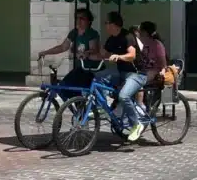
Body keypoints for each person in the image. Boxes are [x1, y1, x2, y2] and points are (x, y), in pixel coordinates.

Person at [94, 11, 148, 142]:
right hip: (121, 74)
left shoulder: (127, 37)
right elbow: (103, 55)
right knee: (97, 77)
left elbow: (132, 55)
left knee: (124, 96)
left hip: (137, 74)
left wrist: (119, 56)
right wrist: (87, 54)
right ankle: (100, 107)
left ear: (115, 25)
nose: (105, 25)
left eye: (107, 23)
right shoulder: (111, 39)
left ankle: (136, 124)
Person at [37, 8, 100, 101]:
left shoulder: (91, 33)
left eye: (82, 18)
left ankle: (80, 109)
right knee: (65, 89)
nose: (78, 21)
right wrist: (45, 52)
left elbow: (94, 49)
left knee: (67, 87)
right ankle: (78, 110)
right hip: (79, 69)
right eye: (77, 18)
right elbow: (63, 47)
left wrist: (85, 53)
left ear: (88, 21)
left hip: (90, 69)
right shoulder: (74, 33)